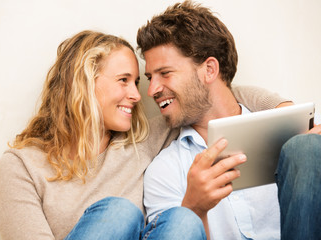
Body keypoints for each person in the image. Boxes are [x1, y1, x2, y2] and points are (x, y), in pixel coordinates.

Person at [0, 30, 289, 240]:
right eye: (124, 81)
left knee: (182, 219)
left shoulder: (139, 144)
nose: (138, 95)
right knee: (119, 212)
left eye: (137, 82)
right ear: (83, 83)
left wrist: (283, 108)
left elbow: (212, 96)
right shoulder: (22, 166)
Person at [137, 1, 321, 240]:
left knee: (306, 149)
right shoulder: (165, 171)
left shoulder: (300, 130)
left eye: (165, 73)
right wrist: (194, 208)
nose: (151, 90)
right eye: (151, 77)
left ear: (210, 70)